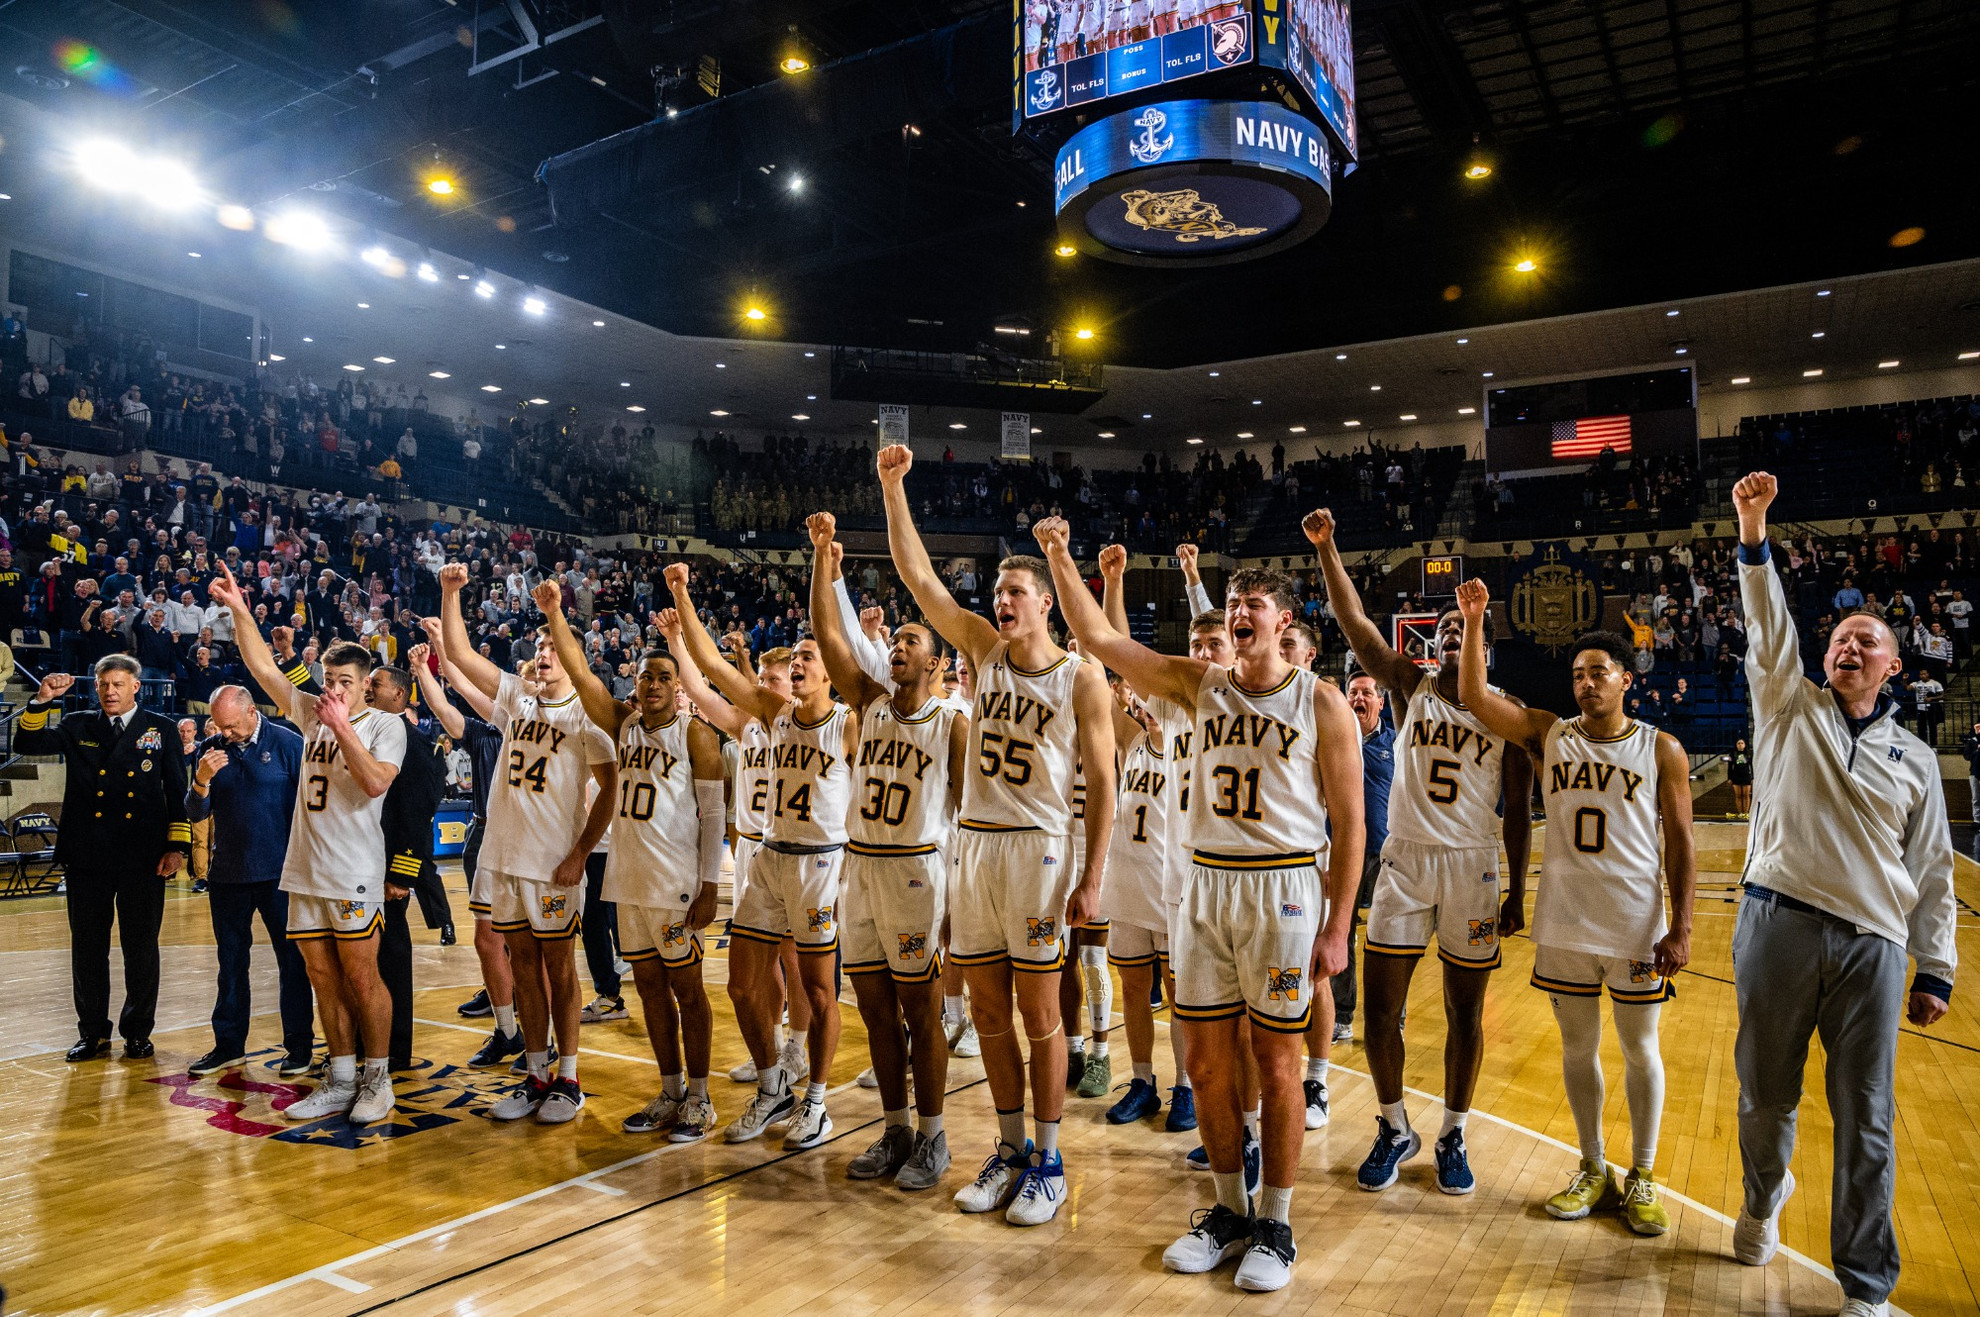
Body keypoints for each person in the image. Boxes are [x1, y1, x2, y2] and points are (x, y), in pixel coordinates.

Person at [1033, 514, 1361, 1293]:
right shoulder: (1195, 684)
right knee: (1210, 1067)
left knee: (1278, 1065)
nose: (1240, 610)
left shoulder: (1321, 704)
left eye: (1255, 601)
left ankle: (1276, 1222)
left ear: (1284, 623)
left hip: (1283, 887)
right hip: (1204, 885)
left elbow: (1349, 827)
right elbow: (1103, 642)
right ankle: (1228, 1210)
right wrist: (1058, 555)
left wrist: (1339, 924)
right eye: (1235, 599)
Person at [1728, 472, 1955, 1317]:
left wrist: (1935, 967)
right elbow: (1767, 623)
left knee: (1866, 1120)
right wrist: (1754, 533)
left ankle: (1865, 1283)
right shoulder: (1789, 702)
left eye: (1867, 641)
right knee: (1764, 1097)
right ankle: (1763, 1196)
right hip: (1777, 922)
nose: (1848, 647)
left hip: (1874, 947)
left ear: (1895, 665)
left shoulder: (1918, 761)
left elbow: (1932, 870)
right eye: (1840, 639)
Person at [881, 445, 1117, 1228]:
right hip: (976, 843)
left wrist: (1092, 874)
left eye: (1015, 591)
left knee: (1041, 1012)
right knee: (985, 1013)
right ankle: (1010, 1148)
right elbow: (919, 579)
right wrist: (894, 487)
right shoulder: (982, 650)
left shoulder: (1080, 675)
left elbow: (1105, 783)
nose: (1001, 599)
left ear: (1046, 602)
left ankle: (1050, 1158)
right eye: (998, 590)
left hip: (1041, 846)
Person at [1452, 587, 1696, 1236]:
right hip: (1564, 921)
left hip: (1636, 924)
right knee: (1578, 1047)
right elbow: (1475, 699)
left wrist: (1684, 924)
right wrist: (1477, 619)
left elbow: (1681, 846)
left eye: (1598, 672)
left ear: (1625, 678)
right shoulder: (1547, 732)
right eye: (1578, 674)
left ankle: (1642, 1172)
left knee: (1640, 1049)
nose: (1585, 682)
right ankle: (1593, 1166)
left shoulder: (1662, 749)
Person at [1307, 507, 1533, 1197]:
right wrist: (1329, 546)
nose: (1450, 635)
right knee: (1380, 1013)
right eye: (1443, 630)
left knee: (1466, 1013)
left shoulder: (1509, 709)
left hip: (1471, 863)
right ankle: (1393, 1123)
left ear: (1486, 643)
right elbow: (1358, 629)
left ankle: (1454, 1130)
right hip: (1405, 860)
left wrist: (1517, 891)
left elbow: (1519, 811)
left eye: (1464, 629)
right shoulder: (1411, 688)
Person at [211, 563, 405, 1125]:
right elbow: (264, 669)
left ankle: (378, 1077)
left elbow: (373, 783)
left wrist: (342, 725)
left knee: (362, 977)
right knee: (321, 977)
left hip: (354, 872)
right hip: (304, 869)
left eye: (344, 682)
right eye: (328, 680)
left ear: (365, 684)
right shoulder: (308, 712)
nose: (333, 689)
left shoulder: (384, 726)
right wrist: (239, 610)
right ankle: (341, 1074)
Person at [666, 562, 850, 1152]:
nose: (796, 664)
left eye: (807, 658)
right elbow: (713, 670)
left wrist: (830, 567)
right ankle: (773, 1089)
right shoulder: (771, 715)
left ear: (832, 673)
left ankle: (817, 1103)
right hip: (768, 855)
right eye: (792, 657)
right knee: (743, 987)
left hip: (821, 861)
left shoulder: (849, 724)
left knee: (818, 993)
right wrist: (682, 595)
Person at [807, 511, 965, 1189]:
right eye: (894, 638)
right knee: (871, 1007)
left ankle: (934, 1135)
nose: (897, 645)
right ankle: (896, 1126)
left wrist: (957, 898)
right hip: (861, 868)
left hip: (916, 872)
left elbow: (966, 814)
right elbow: (828, 634)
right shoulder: (868, 701)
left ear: (936, 662)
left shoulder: (950, 725)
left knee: (921, 1011)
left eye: (910, 639)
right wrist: (822, 559)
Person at [537, 591, 725, 1143]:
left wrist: (710, 886)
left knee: (688, 991)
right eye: (644, 677)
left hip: (676, 886)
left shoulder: (695, 734)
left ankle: (701, 1097)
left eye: (663, 677)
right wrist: (554, 614)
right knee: (647, 988)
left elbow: (714, 815)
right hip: (627, 881)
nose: (652, 685)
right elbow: (580, 671)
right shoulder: (623, 725)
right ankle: (669, 1091)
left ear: (678, 686)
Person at [440, 564, 616, 1124]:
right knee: (522, 967)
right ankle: (535, 1072)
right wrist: (450, 594)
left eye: (553, 648)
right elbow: (463, 657)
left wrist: (580, 854)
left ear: (573, 658)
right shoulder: (518, 697)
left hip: (553, 865)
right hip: (503, 857)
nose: (543, 654)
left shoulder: (589, 714)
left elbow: (610, 789)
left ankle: (569, 1076)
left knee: (561, 972)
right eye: (539, 648)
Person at [657, 624, 813, 1090]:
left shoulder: (807, 728)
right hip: (749, 849)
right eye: (760, 680)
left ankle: (798, 1050)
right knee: (761, 966)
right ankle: (773, 1042)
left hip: (794, 850)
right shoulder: (745, 727)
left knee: (795, 958)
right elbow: (701, 690)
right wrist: (676, 643)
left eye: (772, 682)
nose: (761, 688)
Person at [19, 655, 193, 1062]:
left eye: (117, 684)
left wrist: (177, 846)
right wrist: (42, 701)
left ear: (136, 686)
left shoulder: (161, 729)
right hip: (88, 855)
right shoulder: (78, 724)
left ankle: (137, 1032)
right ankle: (92, 1032)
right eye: (103, 684)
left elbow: (176, 791)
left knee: (141, 949)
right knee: (87, 949)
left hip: (142, 856)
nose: (109, 691)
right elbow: (28, 744)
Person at [406, 624, 530, 1068]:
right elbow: (444, 705)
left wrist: (440, 651)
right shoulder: (485, 731)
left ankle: (536, 1032)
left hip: (527, 838)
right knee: (486, 939)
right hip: (484, 832)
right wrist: (424, 667)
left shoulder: (545, 729)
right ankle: (507, 1027)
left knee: (526, 942)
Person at [184, 685, 315, 1077]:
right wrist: (202, 779)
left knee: (293, 964)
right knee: (230, 963)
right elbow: (194, 811)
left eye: (231, 725)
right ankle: (228, 1046)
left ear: (251, 711)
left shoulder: (289, 743)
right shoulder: (210, 747)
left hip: (281, 875)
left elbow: (309, 807)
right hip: (228, 875)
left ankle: (299, 1047)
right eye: (219, 726)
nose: (225, 733)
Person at [1329, 672, 1394, 1053]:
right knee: (1342, 934)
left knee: (1386, 941)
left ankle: (1392, 1020)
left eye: (1366, 692)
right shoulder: (1335, 737)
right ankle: (1342, 1017)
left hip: (1384, 854)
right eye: (1352, 692)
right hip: (1342, 852)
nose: (1358, 698)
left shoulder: (1396, 744)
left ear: (1380, 702)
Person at [1724, 737, 1754, 819]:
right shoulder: (1732, 754)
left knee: (1746, 795)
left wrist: (1753, 777)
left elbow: (1752, 766)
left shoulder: (1748, 754)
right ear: (1736, 745)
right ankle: (1740, 812)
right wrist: (1729, 778)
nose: (1740, 745)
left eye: (1742, 743)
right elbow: (1730, 767)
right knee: (1738, 795)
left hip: (1746, 776)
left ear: (1745, 745)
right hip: (1736, 776)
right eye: (1738, 743)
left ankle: (1746, 812)